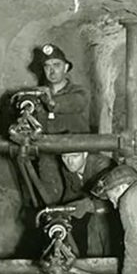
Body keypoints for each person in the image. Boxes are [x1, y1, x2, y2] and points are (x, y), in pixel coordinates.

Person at [60, 151, 117, 274]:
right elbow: (70, 193)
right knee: (93, 262)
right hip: (95, 218)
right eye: (64, 157)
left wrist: (88, 205)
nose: (69, 161)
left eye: (74, 156)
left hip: (114, 219)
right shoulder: (70, 169)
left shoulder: (102, 165)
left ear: (85, 154)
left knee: (107, 266)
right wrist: (60, 211)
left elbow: (116, 195)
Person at [34, 44, 90, 203]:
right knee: (50, 201)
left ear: (66, 67)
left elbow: (76, 103)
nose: (52, 71)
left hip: (76, 157)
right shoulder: (37, 96)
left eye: (56, 65)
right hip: (48, 157)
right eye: (47, 66)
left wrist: (51, 103)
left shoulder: (79, 92)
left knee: (79, 202)